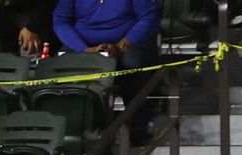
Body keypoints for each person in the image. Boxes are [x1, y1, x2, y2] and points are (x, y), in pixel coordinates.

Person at [53, 0, 161, 137]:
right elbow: (60, 21)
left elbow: (149, 17)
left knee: (133, 64)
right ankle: (73, 130)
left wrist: (122, 46)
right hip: (84, 45)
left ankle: (138, 128)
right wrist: (83, 49)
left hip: (127, 43)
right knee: (61, 64)